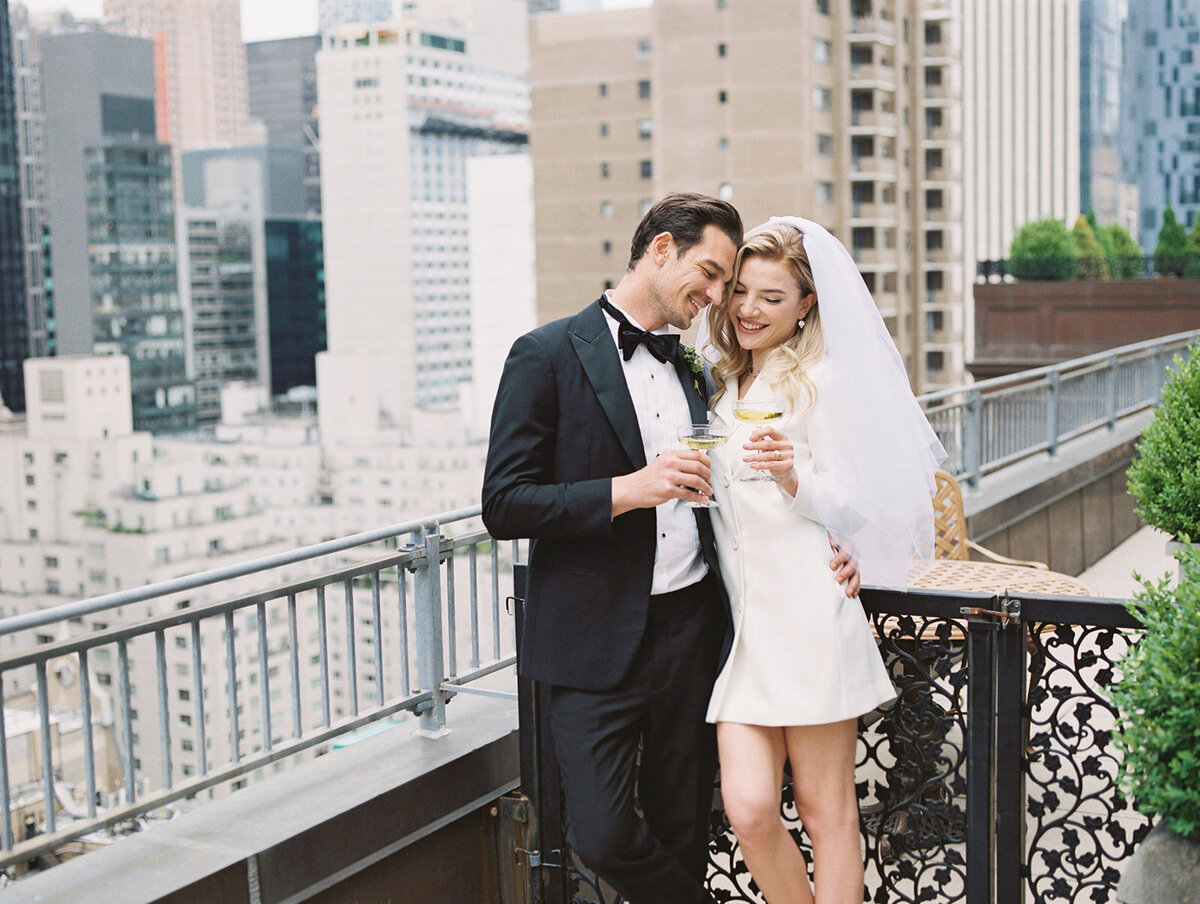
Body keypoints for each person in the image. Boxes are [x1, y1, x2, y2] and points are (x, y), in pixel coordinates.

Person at [481, 195, 860, 904]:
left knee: (686, 829)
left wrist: (842, 540)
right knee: (598, 833)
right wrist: (629, 489)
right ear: (661, 250)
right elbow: (503, 503)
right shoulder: (546, 354)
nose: (720, 298)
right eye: (714, 276)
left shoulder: (699, 370)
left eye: (733, 286)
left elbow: (775, 486)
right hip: (592, 643)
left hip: (698, 632)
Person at [698, 217, 946, 903]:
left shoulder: (824, 379)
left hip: (810, 621)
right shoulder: (723, 386)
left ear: (807, 303)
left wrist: (793, 479)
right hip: (746, 633)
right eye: (741, 291)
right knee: (748, 810)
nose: (748, 308)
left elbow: (858, 502)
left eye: (771, 297)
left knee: (825, 814)